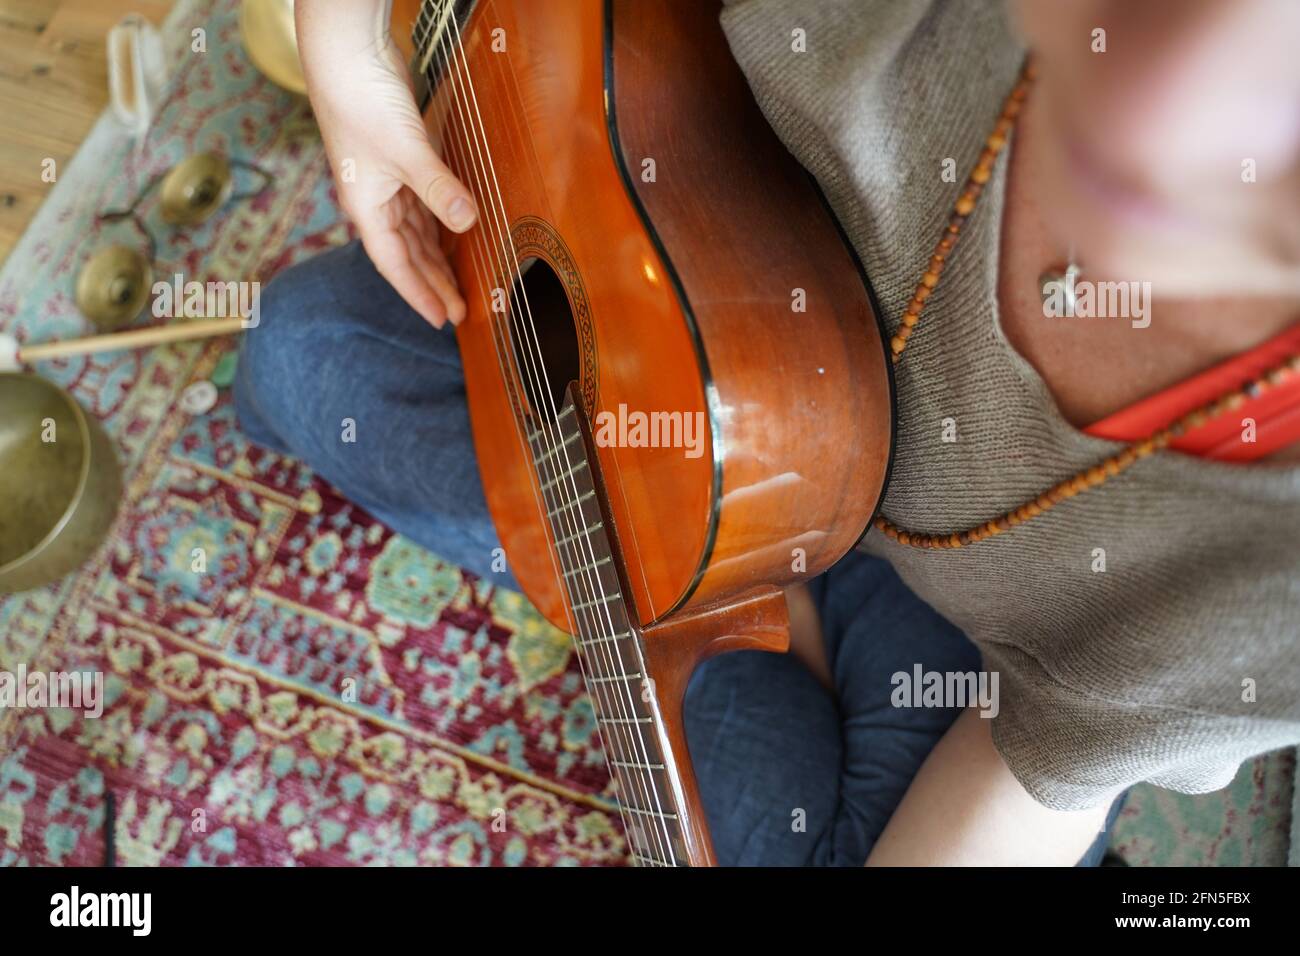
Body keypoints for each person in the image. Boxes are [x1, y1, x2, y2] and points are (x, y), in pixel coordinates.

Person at [234, 0, 1300, 865]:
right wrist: (341, 29)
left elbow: (1040, 764)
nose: (1167, 111)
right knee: (298, 350)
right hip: (689, 277)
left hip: (966, 622)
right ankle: (729, 573)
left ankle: (739, 586)